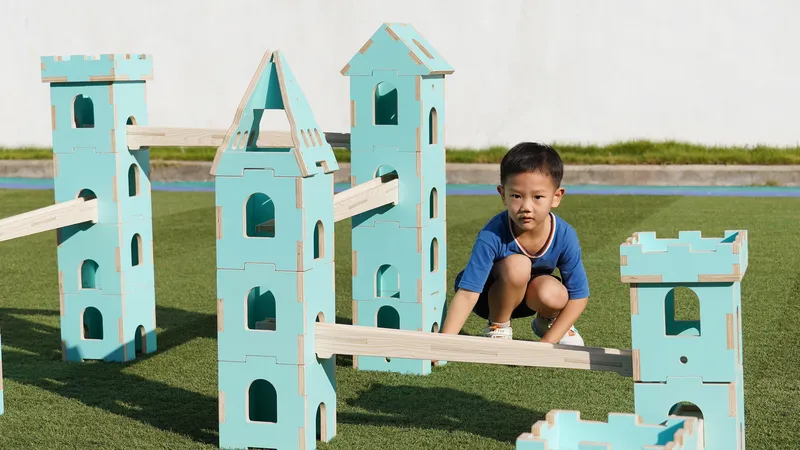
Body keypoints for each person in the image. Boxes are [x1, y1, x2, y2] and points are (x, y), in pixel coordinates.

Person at [440, 142, 588, 345]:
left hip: (529, 297)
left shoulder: (564, 235)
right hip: (488, 297)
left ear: (556, 197)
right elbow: (467, 293)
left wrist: (547, 342)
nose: (526, 207)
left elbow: (578, 296)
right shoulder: (492, 234)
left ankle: (548, 321)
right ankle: (498, 325)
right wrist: (443, 344)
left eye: (537, 197)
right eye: (516, 196)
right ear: (503, 195)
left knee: (554, 293)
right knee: (518, 265)